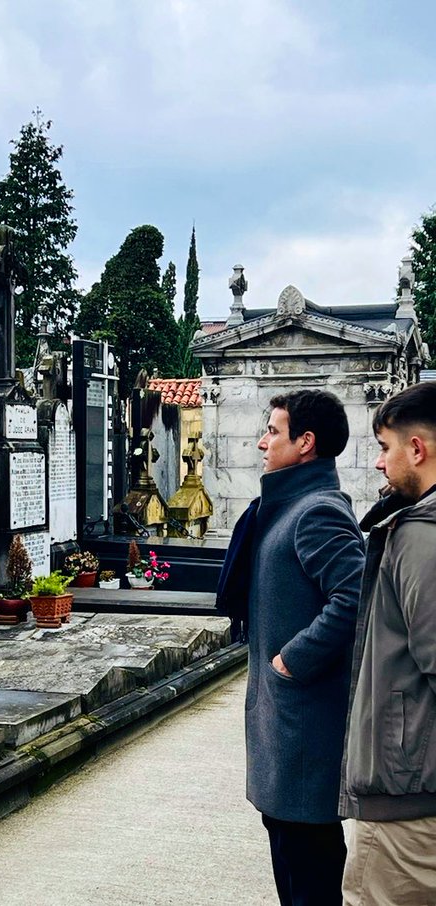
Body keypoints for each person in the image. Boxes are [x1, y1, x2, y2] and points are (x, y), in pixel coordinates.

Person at [216, 389, 365, 906]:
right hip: (283, 727)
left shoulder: (316, 512)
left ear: (306, 443)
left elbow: (355, 595)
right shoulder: (282, 507)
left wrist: (290, 661)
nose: (261, 441)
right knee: (293, 871)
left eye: (273, 431)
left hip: (304, 734)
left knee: (311, 882)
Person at [341, 382, 436, 904]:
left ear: (416, 450)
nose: (379, 464)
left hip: (409, 807)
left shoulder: (423, 536)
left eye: (384, 447)